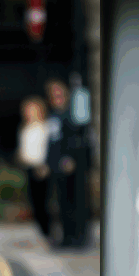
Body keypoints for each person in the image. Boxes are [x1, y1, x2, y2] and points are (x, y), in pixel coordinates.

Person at [44, 78, 91, 248]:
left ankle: (78, 238)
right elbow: (52, 141)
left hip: (72, 165)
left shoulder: (74, 113)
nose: (56, 97)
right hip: (57, 166)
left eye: (59, 93)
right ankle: (66, 237)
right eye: (53, 95)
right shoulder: (53, 115)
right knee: (62, 203)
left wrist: (70, 158)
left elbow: (78, 138)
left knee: (76, 201)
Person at [16, 96, 51, 239]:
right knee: (34, 200)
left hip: (42, 167)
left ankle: (48, 231)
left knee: (44, 200)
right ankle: (42, 231)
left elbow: (48, 148)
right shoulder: (24, 128)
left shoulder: (45, 127)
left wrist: (46, 165)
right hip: (29, 166)